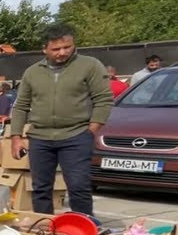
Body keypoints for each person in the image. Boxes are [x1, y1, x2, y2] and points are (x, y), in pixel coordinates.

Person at [10, 23, 112, 216]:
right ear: (44, 49)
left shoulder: (89, 66)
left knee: (78, 187)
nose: (62, 52)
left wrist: (92, 128)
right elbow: (21, 106)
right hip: (40, 137)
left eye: (67, 47)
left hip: (76, 135)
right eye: (56, 49)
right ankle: (44, 227)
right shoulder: (32, 72)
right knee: (40, 188)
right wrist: (16, 137)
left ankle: (83, 227)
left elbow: (104, 99)